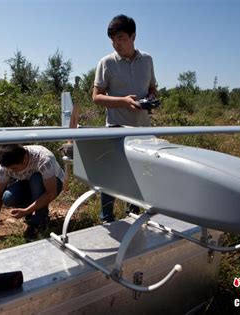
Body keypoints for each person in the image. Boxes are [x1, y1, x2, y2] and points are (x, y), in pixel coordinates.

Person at [92, 14, 158, 223]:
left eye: (121, 38)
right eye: (112, 39)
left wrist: (152, 98)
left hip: (143, 128)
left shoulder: (147, 60)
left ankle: (133, 214)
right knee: (111, 173)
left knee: (141, 173)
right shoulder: (106, 63)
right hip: (117, 127)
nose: (116, 43)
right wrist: (123, 101)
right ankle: (107, 217)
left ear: (133, 36)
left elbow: (152, 88)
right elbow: (96, 97)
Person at [0, 144, 64, 238]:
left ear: (25, 159)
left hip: (53, 184)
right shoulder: (6, 165)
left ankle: (39, 220)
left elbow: (51, 193)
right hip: (28, 183)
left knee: (36, 179)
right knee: (8, 197)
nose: (12, 171)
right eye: (9, 169)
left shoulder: (44, 159)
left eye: (14, 168)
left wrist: (26, 211)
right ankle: (31, 214)